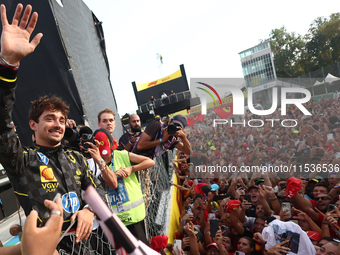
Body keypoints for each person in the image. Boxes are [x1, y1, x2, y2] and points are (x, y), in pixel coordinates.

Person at [0, 4, 104, 253]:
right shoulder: (22, 160)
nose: (58, 123)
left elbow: (97, 188)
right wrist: (8, 66)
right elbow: (2, 126)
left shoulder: (76, 157)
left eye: (61, 119)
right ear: (33, 125)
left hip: (92, 247)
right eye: (50, 118)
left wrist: (90, 210)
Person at [85, 128, 155, 244]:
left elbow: (150, 162)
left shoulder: (122, 155)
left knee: (140, 249)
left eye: (107, 153)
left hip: (133, 217)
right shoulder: (93, 163)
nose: (106, 157)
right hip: (114, 220)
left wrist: (131, 168)